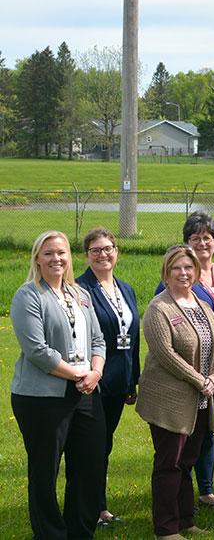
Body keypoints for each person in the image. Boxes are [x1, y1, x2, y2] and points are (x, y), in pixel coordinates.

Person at [11, 231, 107, 540]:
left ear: (69, 257)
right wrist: (78, 376)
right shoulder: (28, 295)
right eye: (49, 253)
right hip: (42, 398)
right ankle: (51, 533)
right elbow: (37, 351)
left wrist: (95, 373)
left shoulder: (81, 294)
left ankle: (80, 530)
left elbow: (98, 340)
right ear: (37, 258)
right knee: (45, 470)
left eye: (62, 253)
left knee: (89, 465)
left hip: (87, 392)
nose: (56, 259)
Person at [138, 244, 214, 540]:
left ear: (196, 272)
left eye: (189, 268)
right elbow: (166, 354)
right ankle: (166, 528)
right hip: (169, 401)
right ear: (166, 272)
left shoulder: (201, 305)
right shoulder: (159, 308)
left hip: (200, 400)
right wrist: (201, 380)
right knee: (169, 464)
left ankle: (186, 520)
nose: (184, 273)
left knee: (187, 462)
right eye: (177, 268)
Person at [156, 211, 214, 508]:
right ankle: (195, 492)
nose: (202, 242)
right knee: (193, 434)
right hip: (191, 371)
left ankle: (205, 487)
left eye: (207, 237)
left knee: (211, 429)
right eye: (195, 238)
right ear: (186, 242)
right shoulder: (175, 281)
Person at [76, 227, 140, 528]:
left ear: (117, 251)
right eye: (96, 250)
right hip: (93, 383)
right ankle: (94, 508)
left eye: (108, 248)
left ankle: (96, 504)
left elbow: (133, 336)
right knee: (93, 447)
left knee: (105, 445)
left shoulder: (125, 289)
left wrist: (132, 380)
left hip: (119, 382)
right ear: (86, 255)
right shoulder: (80, 290)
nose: (103, 254)